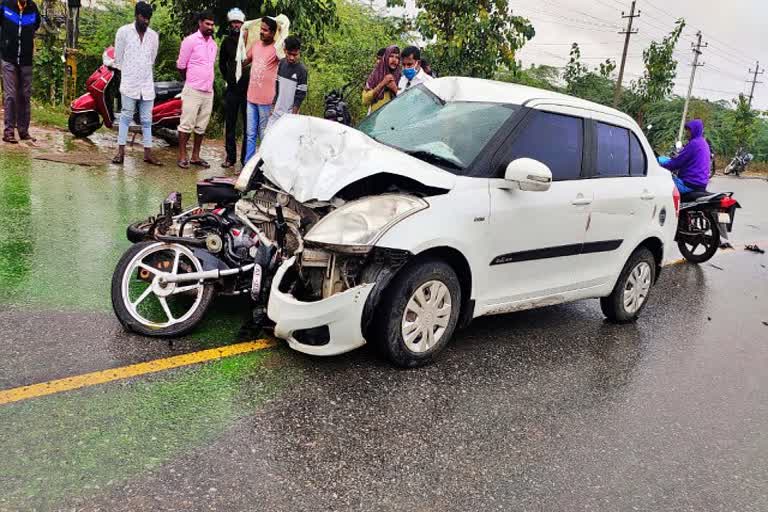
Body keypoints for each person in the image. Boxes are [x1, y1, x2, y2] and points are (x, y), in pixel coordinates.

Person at [111, 2, 161, 165]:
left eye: (148, 19)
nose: (146, 21)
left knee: (147, 120)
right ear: (136, 15)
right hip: (129, 83)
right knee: (125, 117)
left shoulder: (153, 36)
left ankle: (148, 154)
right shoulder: (124, 32)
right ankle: (120, 153)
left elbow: (152, 59)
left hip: (146, 84)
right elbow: (118, 58)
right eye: (143, 17)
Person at [176, 10, 217, 169]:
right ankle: (182, 155)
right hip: (193, 89)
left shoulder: (213, 44)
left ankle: (195, 156)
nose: (210, 27)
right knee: (186, 124)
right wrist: (190, 80)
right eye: (207, 24)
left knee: (201, 126)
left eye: (212, 25)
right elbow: (181, 66)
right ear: (200, 23)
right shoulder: (190, 41)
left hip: (208, 91)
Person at [242, 16, 282, 163]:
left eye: (265, 30)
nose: (262, 32)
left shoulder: (277, 49)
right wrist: (243, 41)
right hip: (251, 97)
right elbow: (244, 61)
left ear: (272, 33)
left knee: (264, 134)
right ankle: (248, 165)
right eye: (261, 29)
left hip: (266, 100)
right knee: (250, 134)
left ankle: (263, 165)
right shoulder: (256, 45)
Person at [1, 0, 41, 143]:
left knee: (25, 95)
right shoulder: (5, 4)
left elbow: (36, 26)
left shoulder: (33, 8)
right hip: (8, 58)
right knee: (10, 95)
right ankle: (9, 132)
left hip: (26, 60)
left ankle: (24, 131)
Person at [218, 8, 248, 168]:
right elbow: (222, 63)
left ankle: (245, 158)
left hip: (248, 90)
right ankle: (230, 158)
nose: (236, 25)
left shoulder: (250, 41)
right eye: (234, 22)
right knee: (230, 124)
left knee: (247, 126)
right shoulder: (226, 42)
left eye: (239, 22)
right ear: (230, 24)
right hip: (232, 90)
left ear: (243, 24)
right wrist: (228, 78)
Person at [660, 119, 711, 195]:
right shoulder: (703, 142)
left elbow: (677, 163)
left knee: (661, 181)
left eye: (689, 130)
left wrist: (660, 167)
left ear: (695, 130)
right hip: (701, 183)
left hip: (689, 184)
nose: (686, 132)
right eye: (686, 130)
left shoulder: (694, 144)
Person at [266, 36, 307, 131]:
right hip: (276, 112)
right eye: (289, 54)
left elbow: (300, 95)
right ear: (285, 50)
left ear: (299, 52)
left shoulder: (302, 70)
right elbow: (277, 88)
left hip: (289, 115)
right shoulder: (281, 64)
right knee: (268, 135)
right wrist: (273, 106)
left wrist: (293, 115)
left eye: (295, 54)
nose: (292, 58)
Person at [363, 45, 400, 114]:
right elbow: (365, 100)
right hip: (375, 118)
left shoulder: (401, 78)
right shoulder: (374, 76)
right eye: (391, 56)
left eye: (397, 57)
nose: (394, 60)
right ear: (385, 58)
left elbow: (404, 102)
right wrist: (382, 84)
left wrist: (394, 88)